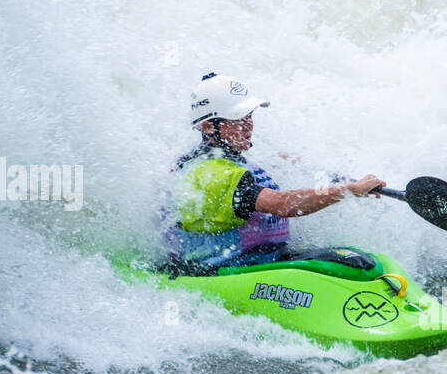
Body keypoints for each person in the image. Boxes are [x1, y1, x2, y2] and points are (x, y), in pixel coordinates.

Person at [162, 72, 385, 271]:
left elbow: (287, 162)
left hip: (260, 261)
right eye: (238, 118)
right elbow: (281, 204)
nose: (248, 126)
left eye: (249, 116)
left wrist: (336, 178)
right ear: (209, 127)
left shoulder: (231, 157)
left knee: (360, 261)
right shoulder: (212, 174)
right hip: (223, 271)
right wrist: (348, 190)